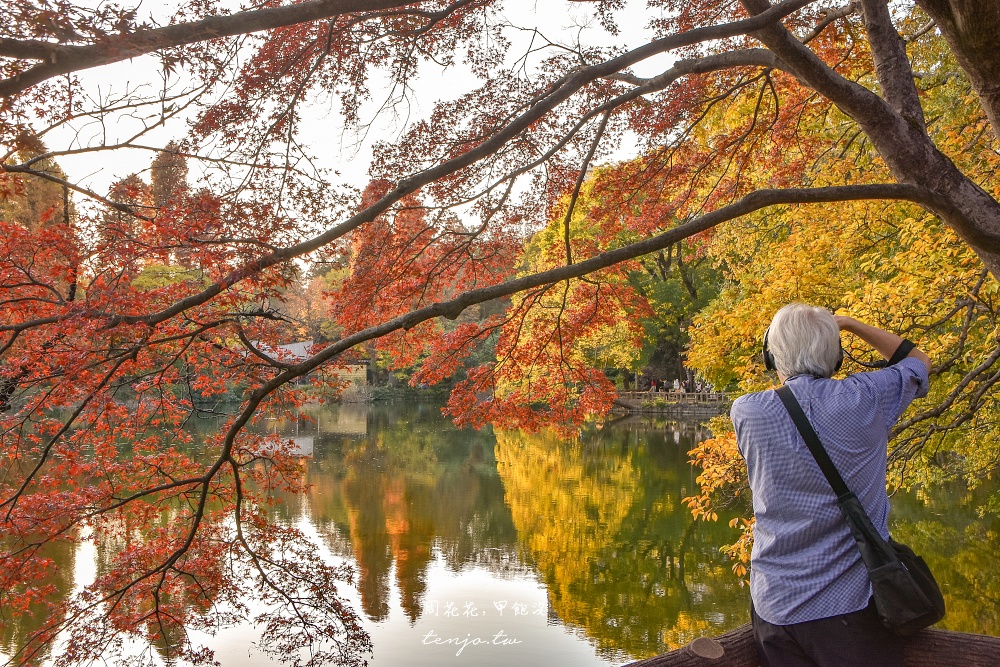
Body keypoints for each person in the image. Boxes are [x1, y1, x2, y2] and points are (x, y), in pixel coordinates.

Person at [731, 303, 931, 667]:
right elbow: (918, 360)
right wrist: (851, 324)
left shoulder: (747, 411)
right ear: (837, 358)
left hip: (774, 608)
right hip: (849, 608)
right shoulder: (867, 396)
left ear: (771, 357)